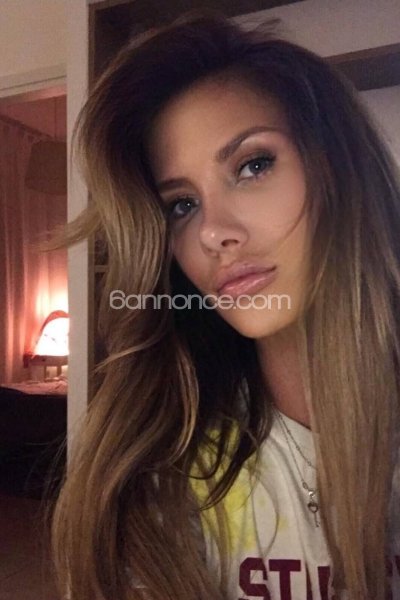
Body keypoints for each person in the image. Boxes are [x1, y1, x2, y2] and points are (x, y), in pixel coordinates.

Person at [48, 10, 400, 600]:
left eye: (253, 165)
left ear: (339, 168)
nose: (213, 233)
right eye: (181, 205)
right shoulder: (166, 469)